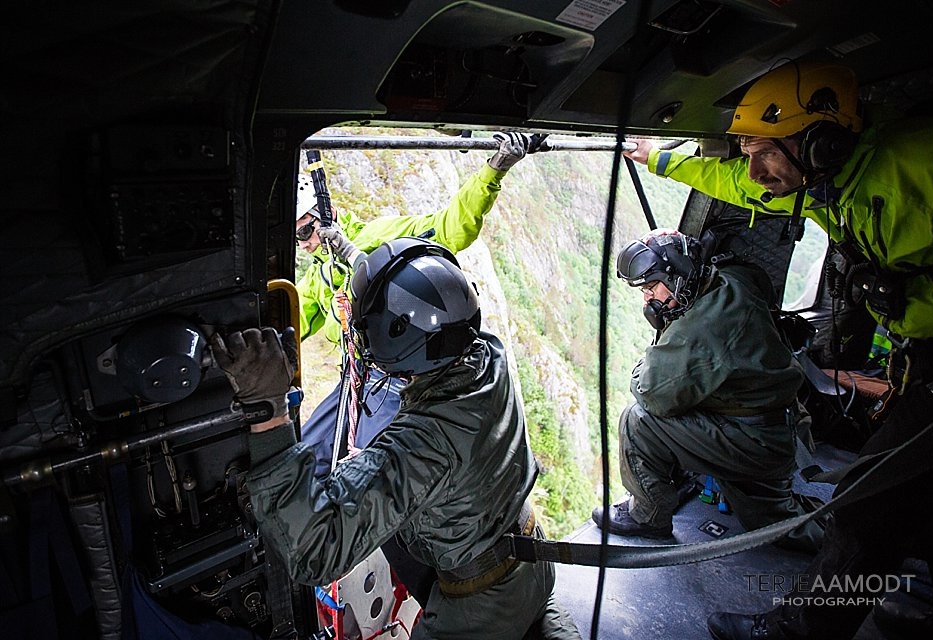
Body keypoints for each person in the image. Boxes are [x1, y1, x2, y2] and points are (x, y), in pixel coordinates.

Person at [618, 61, 933, 638]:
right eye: (746, 151)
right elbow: (729, 182)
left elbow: (654, 392)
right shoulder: (821, 188)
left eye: (765, 152)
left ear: (821, 143)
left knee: (867, 498)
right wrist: (656, 157)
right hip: (927, 360)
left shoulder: (930, 161)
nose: (754, 169)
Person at [210, 237, 582, 639]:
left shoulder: (422, 442)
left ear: (396, 335)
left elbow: (316, 552)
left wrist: (270, 411)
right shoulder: (487, 355)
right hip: (531, 557)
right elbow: (429, 299)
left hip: (481, 602)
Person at [295, 131, 543, 469]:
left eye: (304, 232)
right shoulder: (318, 277)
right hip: (356, 378)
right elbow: (291, 322)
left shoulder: (380, 237)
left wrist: (494, 171)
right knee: (306, 454)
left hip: (395, 380)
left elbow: (449, 228)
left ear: (329, 214)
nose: (303, 244)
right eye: (295, 237)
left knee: (362, 471)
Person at [592, 228, 824, 553]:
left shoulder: (703, 327)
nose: (647, 299)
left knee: (638, 420)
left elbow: (651, 392)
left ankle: (648, 517)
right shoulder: (731, 280)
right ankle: (851, 528)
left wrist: (643, 364)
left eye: (650, 287)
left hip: (754, 442)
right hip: (780, 425)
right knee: (779, 526)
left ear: (678, 277)